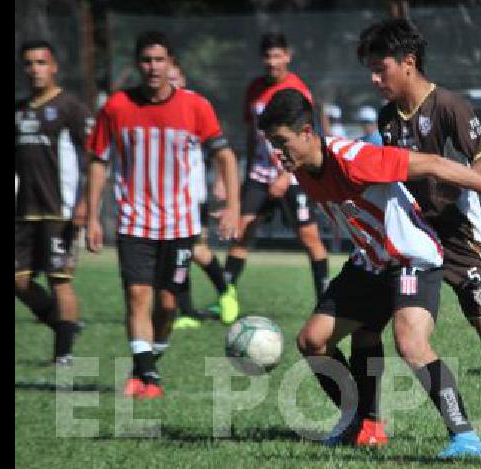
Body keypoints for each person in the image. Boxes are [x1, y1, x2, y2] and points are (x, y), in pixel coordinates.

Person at [258, 87, 481, 458]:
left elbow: (435, 164)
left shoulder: (356, 159)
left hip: (410, 259)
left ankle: (466, 437)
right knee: (312, 340)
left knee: (411, 345)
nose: (278, 153)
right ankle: (360, 422)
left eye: (282, 142)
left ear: (307, 133)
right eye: (272, 144)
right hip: (370, 263)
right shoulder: (303, 171)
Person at [328, 18, 481, 448]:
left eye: (381, 69)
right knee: (368, 329)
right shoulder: (386, 119)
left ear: (409, 64)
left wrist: (458, 181)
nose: (374, 79)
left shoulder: (450, 106)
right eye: (371, 71)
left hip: (461, 237)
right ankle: (369, 423)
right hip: (412, 240)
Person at [85, 31, 242, 399]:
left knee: (168, 305)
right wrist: (90, 215)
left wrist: (233, 205)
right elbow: (98, 161)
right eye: (146, 60)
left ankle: (146, 365)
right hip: (134, 221)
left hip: (180, 223)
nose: (153, 67)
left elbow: (225, 155)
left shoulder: (195, 107)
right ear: (137, 64)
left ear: (171, 63)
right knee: (138, 295)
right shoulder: (116, 108)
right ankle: (148, 376)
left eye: (159, 60)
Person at [226, 32, 331, 314]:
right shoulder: (254, 90)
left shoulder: (298, 90)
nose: (272, 62)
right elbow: (252, 132)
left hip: (293, 176)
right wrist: (248, 173)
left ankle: (325, 298)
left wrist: (286, 176)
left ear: (287, 56)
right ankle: (226, 298)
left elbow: (308, 138)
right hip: (259, 175)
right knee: (241, 232)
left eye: (277, 56)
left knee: (310, 238)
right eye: (267, 57)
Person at [14, 40, 92, 366]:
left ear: (54, 66)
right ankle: (66, 326)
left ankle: (64, 354)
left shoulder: (70, 107)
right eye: (29, 64)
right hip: (23, 212)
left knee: (60, 280)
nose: (35, 70)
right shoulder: (18, 111)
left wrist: (85, 203)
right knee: (18, 280)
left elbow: (93, 158)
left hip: (59, 211)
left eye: (41, 63)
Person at [161, 62, 237, 330]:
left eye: (174, 77)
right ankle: (189, 311)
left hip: (191, 195)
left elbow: (219, 148)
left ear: (183, 77)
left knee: (193, 250)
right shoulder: (154, 109)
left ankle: (224, 292)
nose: (171, 83)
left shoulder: (195, 106)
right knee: (180, 253)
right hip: (162, 198)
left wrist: (220, 182)